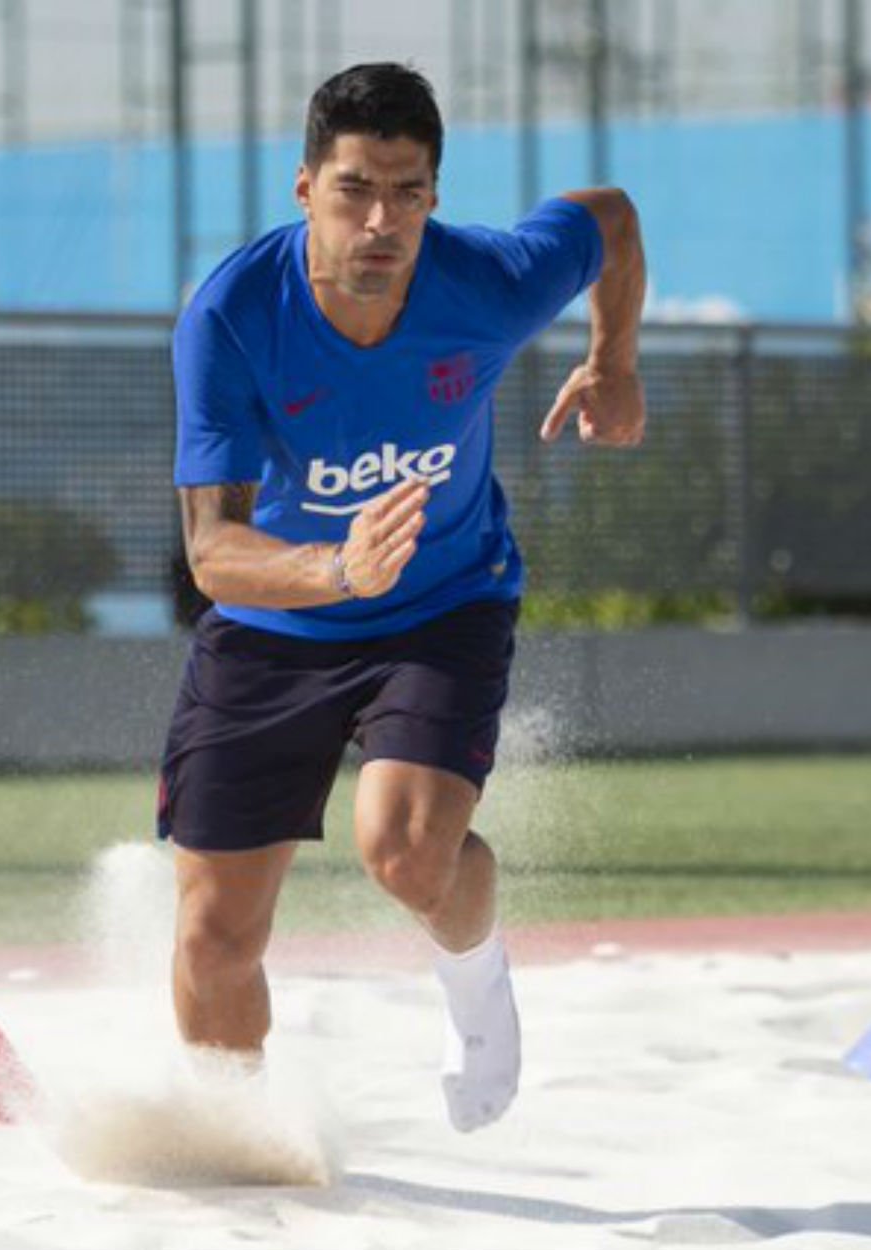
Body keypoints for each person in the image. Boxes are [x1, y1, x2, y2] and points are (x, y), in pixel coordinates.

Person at [158, 61, 645, 1133]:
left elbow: (607, 219)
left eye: (407, 191)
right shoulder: (231, 314)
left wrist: (614, 359)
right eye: (353, 188)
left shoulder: (485, 280)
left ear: (433, 192)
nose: (380, 220)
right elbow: (213, 549)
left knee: (407, 848)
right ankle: (235, 1137)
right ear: (303, 188)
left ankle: (477, 988)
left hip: (443, 601)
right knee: (211, 939)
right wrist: (334, 569)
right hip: (271, 619)